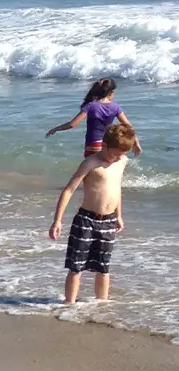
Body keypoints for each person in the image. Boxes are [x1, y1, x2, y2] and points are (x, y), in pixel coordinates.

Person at [49, 119, 137, 304]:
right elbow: (69, 190)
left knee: (103, 268)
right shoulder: (90, 163)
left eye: (121, 155)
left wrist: (119, 215)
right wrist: (57, 220)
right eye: (114, 154)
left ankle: (101, 305)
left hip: (109, 221)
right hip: (86, 220)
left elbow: (116, 189)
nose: (117, 158)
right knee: (76, 267)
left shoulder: (121, 161)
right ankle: (69, 304)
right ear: (104, 145)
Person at [45, 77, 136, 162]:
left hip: (93, 145)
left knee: (90, 171)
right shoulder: (115, 107)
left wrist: (56, 129)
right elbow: (128, 127)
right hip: (107, 146)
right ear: (111, 93)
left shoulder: (90, 105)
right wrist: (136, 142)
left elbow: (72, 124)